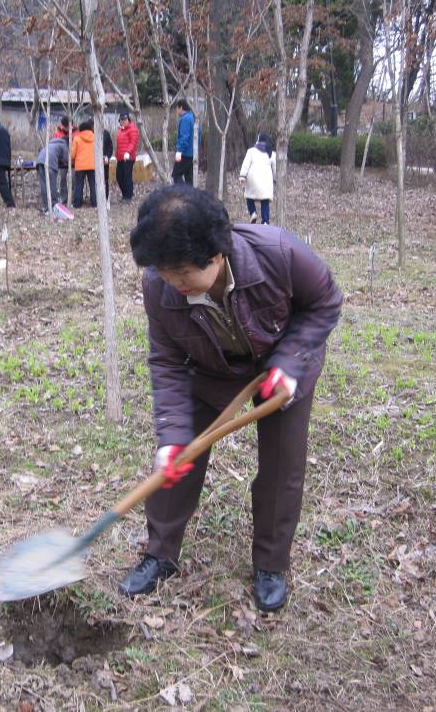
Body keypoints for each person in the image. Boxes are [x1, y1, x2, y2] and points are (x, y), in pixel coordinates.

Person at [122, 185, 342, 612]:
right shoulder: (160, 288)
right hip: (208, 369)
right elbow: (166, 361)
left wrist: (290, 364)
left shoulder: (279, 254)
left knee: (282, 466)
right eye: (163, 272)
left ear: (218, 254)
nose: (173, 283)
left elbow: (325, 302)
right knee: (177, 462)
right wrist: (171, 437)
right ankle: (160, 553)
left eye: (183, 273)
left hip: (283, 364)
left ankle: (271, 564)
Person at [239, 132, 276, 224]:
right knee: (265, 201)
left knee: (249, 197)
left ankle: (253, 213)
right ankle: (265, 221)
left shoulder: (251, 151)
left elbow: (245, 164)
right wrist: (275, 179)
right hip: (266, 182)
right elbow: (275, 169)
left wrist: (242, 176)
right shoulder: (271, 153)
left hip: (253, 180)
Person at [36, 132, 68, 215]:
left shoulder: (50, 144)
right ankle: (54, 205)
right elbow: (66, 159)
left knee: (44, 185)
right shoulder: (64, 145)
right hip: (50, 163)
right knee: (52, 185)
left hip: (39, 162)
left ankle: (46, 206)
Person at [71, 119, 97, 207]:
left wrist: (72, 159)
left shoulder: (76, 138)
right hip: (92, 165)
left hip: (80, 166)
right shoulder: (95, 138)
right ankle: (95, 203)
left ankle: (77, 204)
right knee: (93, 185)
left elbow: (72, 154)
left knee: (79, 185)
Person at [115, 111, 139, 201]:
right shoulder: (121, 130)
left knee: (127, 177)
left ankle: (128, 196)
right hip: (120, 158)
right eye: (121, 120)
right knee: (119, 177)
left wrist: (128, 152)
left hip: (128, 158)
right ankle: (125, 194)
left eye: (124, 119)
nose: (123, 121)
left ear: (128, 119)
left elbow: (133, 142)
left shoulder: (133, 129)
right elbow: (119, 144)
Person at [172, 98, 195, 184]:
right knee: (189, 179)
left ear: (181, 107)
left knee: (176, 174)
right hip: (193, 154)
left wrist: (179, 151)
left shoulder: (185, 119)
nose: (177, 111)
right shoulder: (193, 117)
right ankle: (189, 192)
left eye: (177, 109)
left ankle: (182, 191)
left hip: (185, 154)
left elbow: (184, 137)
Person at [53, 116, 74, 204]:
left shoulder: (76, 132)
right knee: (62, 179)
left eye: (68, 126)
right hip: (62, 161)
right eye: (65, 126)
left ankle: (72, 198)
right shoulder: (57, 133)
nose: (67, 128)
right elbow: (55, 146)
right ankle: (63, 197)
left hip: (73, 161)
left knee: (74, 179)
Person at [102, 126, 114, 201]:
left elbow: (110, 147)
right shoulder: (91, 133)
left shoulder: (106, 133)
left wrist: (108, 156)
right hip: (93, 162)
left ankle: (106, 197)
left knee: (105, 179)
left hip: (105, 160)